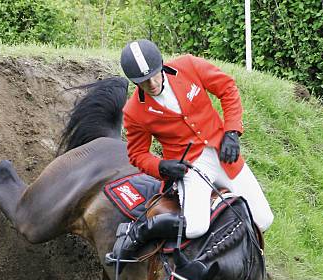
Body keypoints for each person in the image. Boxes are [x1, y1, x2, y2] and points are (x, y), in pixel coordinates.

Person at [106, 39, 273, 263]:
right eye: (143, 82)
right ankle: (139, 231)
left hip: (223, 155)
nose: (152, 84)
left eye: (154, 75)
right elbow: (137, 154)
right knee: (196, 227)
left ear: (162, 65)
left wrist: (232, 131)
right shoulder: (134, 112)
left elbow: (227, 88)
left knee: (263, 219)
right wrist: (161, 167)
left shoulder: (189, 65)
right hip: (190, 169)